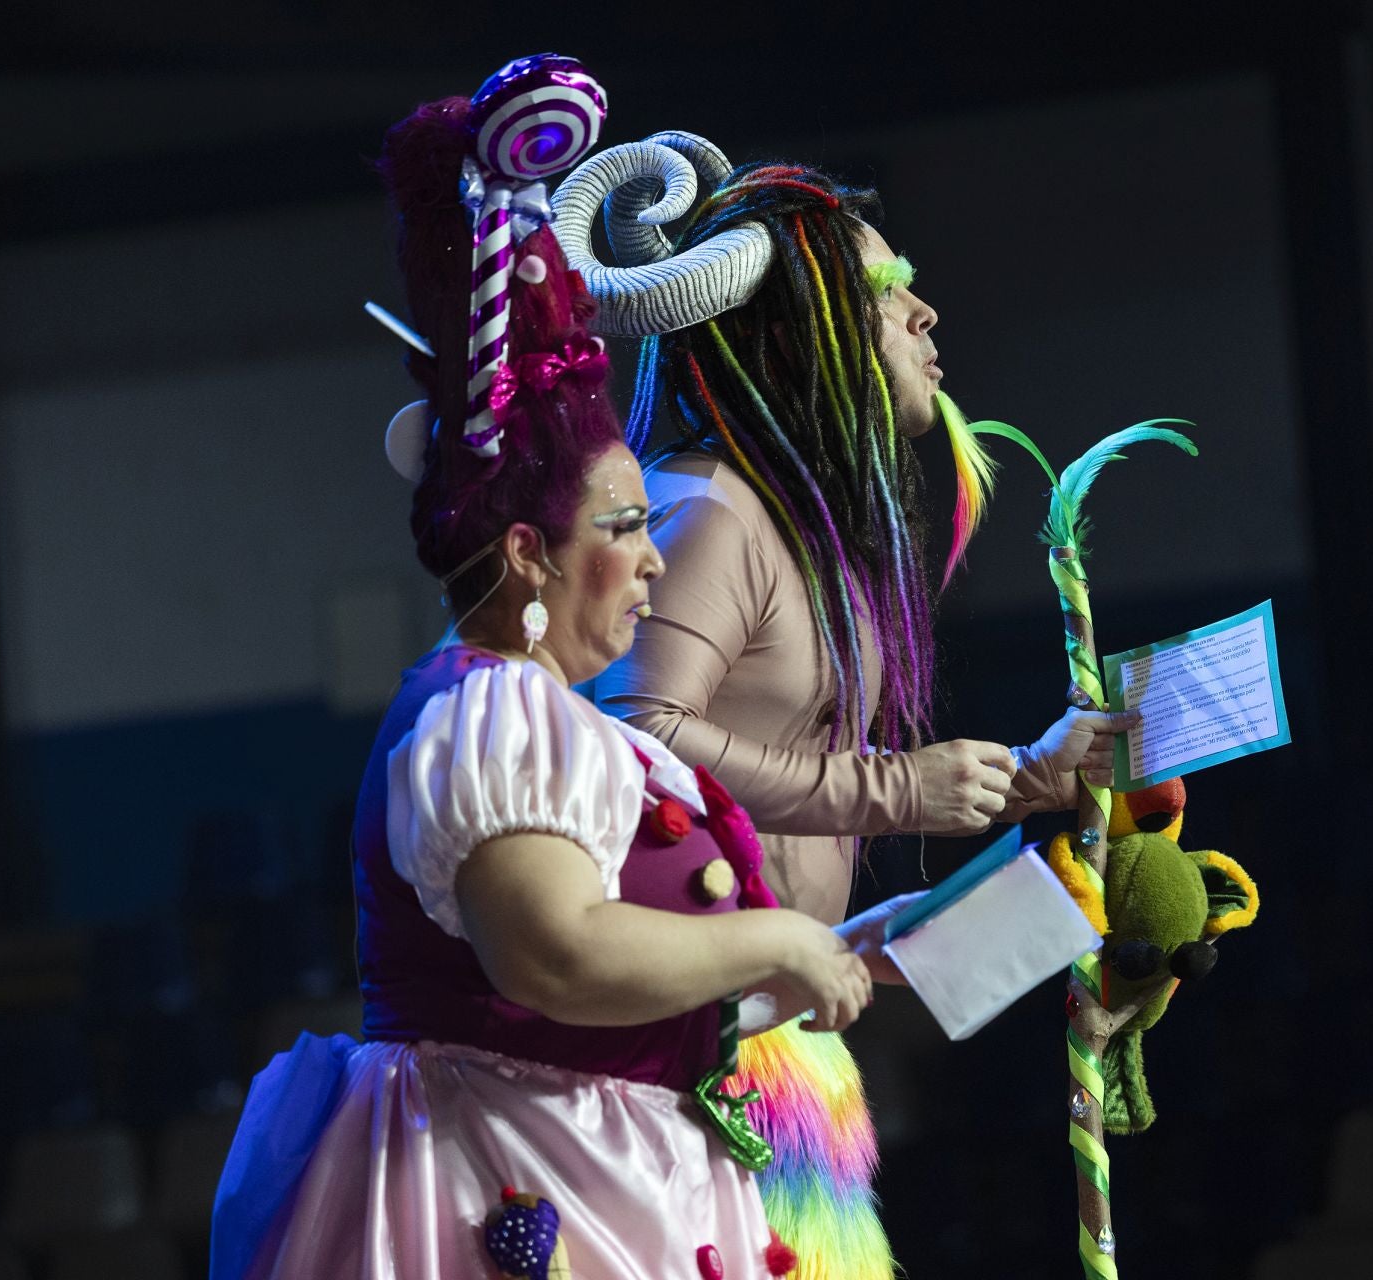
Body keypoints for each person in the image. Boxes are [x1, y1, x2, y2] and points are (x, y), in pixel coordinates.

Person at [211, 70, 875, 1280]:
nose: (651, 555)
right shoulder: (493, 712)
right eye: (622, 524)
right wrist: (775, 936)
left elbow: (647, 970)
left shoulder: (554, 722)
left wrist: (841, 954)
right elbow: (555, 956)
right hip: (522, 1179)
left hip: (602, 1167)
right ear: (529, 549)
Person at [554, 136, 1139, 1277]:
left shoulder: (792, 530)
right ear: (798, 329)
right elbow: (634, 741)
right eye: (883, 289)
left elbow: (793, 855)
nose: (923, 312)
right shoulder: (707, 506)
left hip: (779, 1058)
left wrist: (1028, 782)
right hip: (682, 1082)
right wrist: (895, 785)